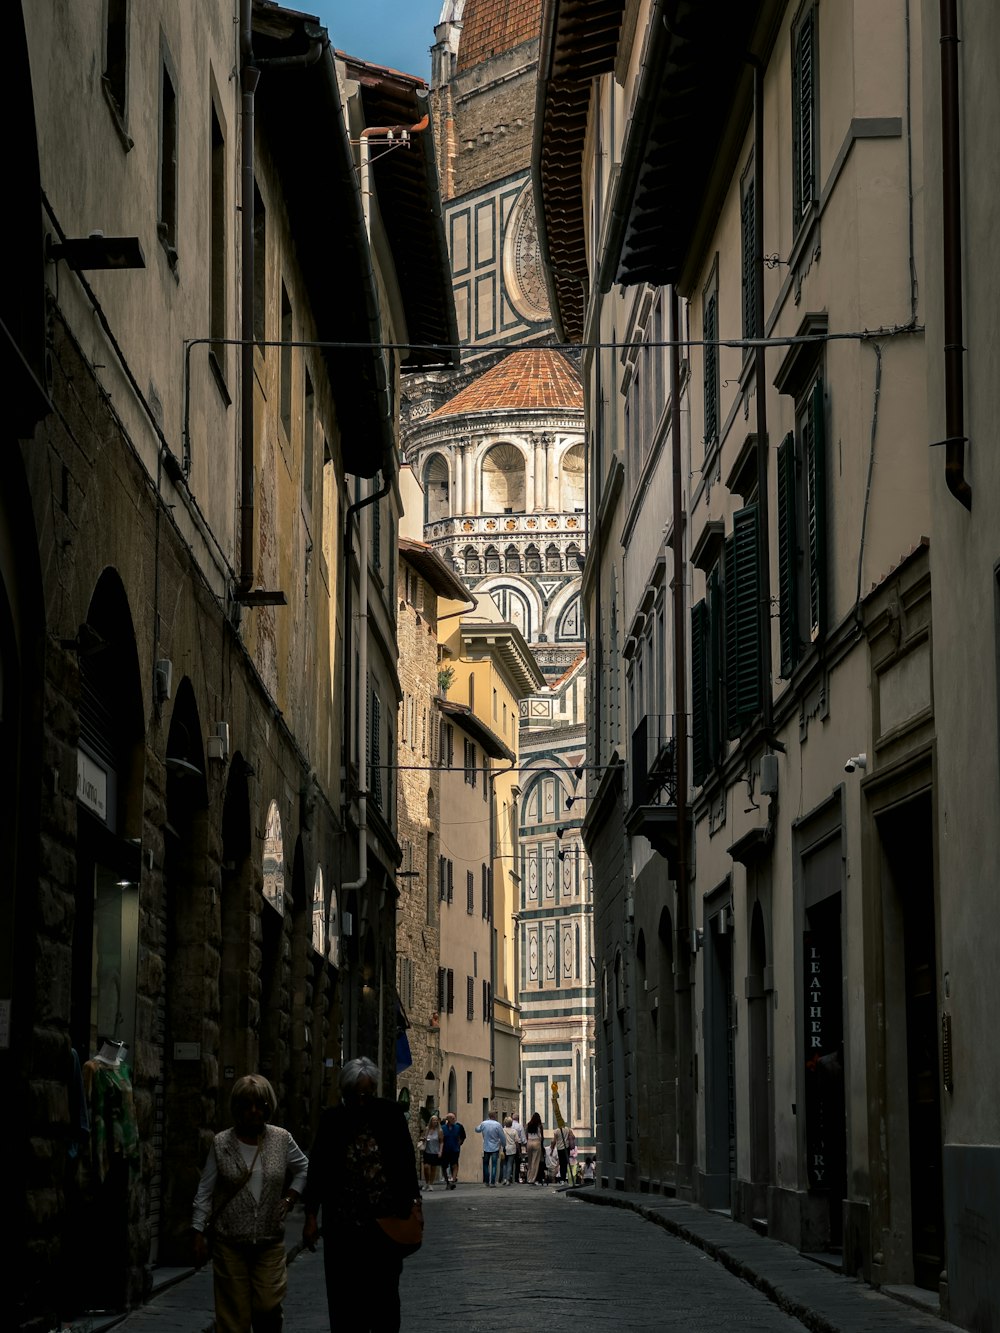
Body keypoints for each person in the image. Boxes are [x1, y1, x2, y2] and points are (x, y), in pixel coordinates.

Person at [302, 1057, 419, 1333]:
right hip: (343, 1226)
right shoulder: (333, 1121)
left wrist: (415, 1204)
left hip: (385, 1223)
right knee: (344, 1298)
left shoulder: (390, 1116)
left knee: (385, 1294)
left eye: (367, 1093)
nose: (362, 1100)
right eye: (356, 1094)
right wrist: (310, 1215)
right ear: (345, 1093)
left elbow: (405, 1162)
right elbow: (318, 1169)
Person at [192, 1074, 308, 1333]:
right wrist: (198, 1231)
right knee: (233, 1318)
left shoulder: (281, 1139)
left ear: (268, 1107)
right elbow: (205, 1189)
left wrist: (290, 1197)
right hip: (229, 1243)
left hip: (269, 1242)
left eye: (260, 1105)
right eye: (247, 1105)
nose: (254, 1111)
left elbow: (304, 1169)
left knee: (268, 1305)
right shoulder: (221, 1143)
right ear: (237, 1108)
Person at [474, 1111, 504, 1186]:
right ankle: (493, 1182)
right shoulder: (498, 1125)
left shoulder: (484, 1123)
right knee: (494, 1165)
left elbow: (477, 1129)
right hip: (495, 1147)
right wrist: (504, 1144)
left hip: (486, 1147)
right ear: (494, 1116)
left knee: (486, 1164)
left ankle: (487, 1181)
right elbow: (502, 1136)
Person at [440, 1111, 466, 1189]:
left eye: (454, 1118)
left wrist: (459, 1144)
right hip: (445, 1149)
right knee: (444, 1166)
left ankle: (453, 1181)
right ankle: (447, 1181)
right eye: (452, 1118)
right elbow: (441, 1139)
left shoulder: (458, 1127)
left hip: (454, 1149)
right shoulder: (443, 1128)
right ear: (448, 1119)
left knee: (454, 1165)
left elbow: (462, 1136)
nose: (454, 1119)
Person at [421, 1114, 442, 1192]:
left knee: (433, 1169)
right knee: (426, 1167)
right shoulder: (427, 1129)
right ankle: (427, 1182)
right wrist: (423, 1139)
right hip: (427, 1150)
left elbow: (441, 1142)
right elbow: (423, 1137)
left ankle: (430, 1184)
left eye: (436, 1120)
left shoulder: (439, 1131)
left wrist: (440, 1151)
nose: (435, 1122)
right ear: (431, 1121)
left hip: (435, 1152)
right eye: (433, 1120)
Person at [524, 1112, 544, 1184]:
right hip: (536, 1142)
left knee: (529, 1161)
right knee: (535, 1162)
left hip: (529, 1142)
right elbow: (541, 1136)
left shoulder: (528, 1125)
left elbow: (525, 1134)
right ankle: (533, 1179)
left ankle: (528, 1177)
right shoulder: (539, 1126)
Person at [500, 1117, 519, 1184]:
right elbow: (516, 1141)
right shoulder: (514, 1131)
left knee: (504, 1164)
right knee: (510, 1164)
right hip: (512, 1149)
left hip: (504, 1148)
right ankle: (508, 1179)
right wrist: (518, 1148)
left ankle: (504, 1178)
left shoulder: (502, 1130)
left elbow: (500, 1139)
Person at [510, 1113, 527, 1183]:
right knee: (517, 1162)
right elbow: (523, 1138)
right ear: (518, 1118)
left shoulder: (508, 1125)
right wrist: (525, 1146)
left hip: (509, 1144)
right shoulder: (520, 1126)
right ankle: (516, 1178)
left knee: (510, 1162)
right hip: (517, 1145)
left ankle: (509, 1177)